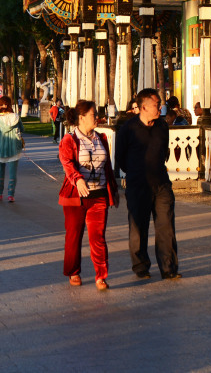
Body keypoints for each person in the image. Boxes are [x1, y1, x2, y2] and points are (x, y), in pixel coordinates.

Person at [115, 88, 180, 280]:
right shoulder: (128, 129)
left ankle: (168, 268)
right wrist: (136, 172)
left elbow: (164, 150)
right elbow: (120, 157)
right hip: (138, 185)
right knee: (138, 228)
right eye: (156, 105)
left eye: (160, 104)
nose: (160, 108)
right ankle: (141, 267)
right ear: (143, 107)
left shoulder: (162, 126)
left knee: (166, 227)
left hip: (161, 184)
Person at [58, 99, 119, 290]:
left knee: (98, 237)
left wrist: (114, 191)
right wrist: (77, 179)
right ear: (82, 117)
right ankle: (73, 271)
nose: (97, 117)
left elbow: (108, 167)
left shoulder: (101, 138)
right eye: (93, 114)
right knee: (74, 235)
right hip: (76, 197)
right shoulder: (69, 140)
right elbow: (67, 162)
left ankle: (101, 276)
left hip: (98, 195)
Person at [0, 96, 23, 202]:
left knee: (0, 172)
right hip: (14, 148)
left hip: (0, 148)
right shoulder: (15, 117)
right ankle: (10, 195)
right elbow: (22, 129)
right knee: (13, 173)